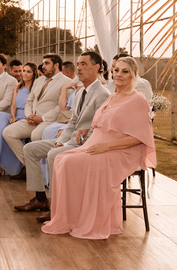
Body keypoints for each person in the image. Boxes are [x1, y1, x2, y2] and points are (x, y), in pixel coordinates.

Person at [42, 56, 155, 239]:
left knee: (71, 161)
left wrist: (106, 147)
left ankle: (87, 219)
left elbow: (139, 138)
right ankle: (71, 217)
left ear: (134, 75)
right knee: (61, 159)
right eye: (116, 70)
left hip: (119, 150)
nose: (118, 74)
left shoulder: (137, 99)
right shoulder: (113, 97)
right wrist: (87, 129)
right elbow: (106, 123)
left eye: (125, 71)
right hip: (98, 143)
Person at [18, 51, 111, 223]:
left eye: (84, 64)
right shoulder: (82, 91)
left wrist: (64, 144)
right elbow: (73, 121)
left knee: (54, 154)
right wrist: (61, 141)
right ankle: (40, 198)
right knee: (29, 148)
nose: (79, 68)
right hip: (71, 140)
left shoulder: (102, 94)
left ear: (97, 67)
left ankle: (56, 207)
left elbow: (97, 129)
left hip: (86, 142)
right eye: (78, 64)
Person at [2, 54, 67, 164]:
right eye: (43, 63)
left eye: (47, 63)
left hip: (48, 121)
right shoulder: (39, 80)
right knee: (8, 132)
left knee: (35, 135)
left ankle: (37, 169)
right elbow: (29, 100)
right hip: (31, 119)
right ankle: (30, 165)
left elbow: (61, 107)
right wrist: (29, 116)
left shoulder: (66, 82)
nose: (43, 66)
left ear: (56, 65)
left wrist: (42, 118)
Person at [0, 61, 35, 177]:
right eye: (24, 71)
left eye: (28, 71)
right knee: (1, 115)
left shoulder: (35, 88)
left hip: (27, 118)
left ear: (34, 74)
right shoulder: (18, 87)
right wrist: (13, 117)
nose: (24, 73)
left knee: (7, 132)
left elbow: (34, 107)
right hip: (16, 116)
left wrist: (23, 119)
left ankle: (22, 164)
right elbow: (13, 105)